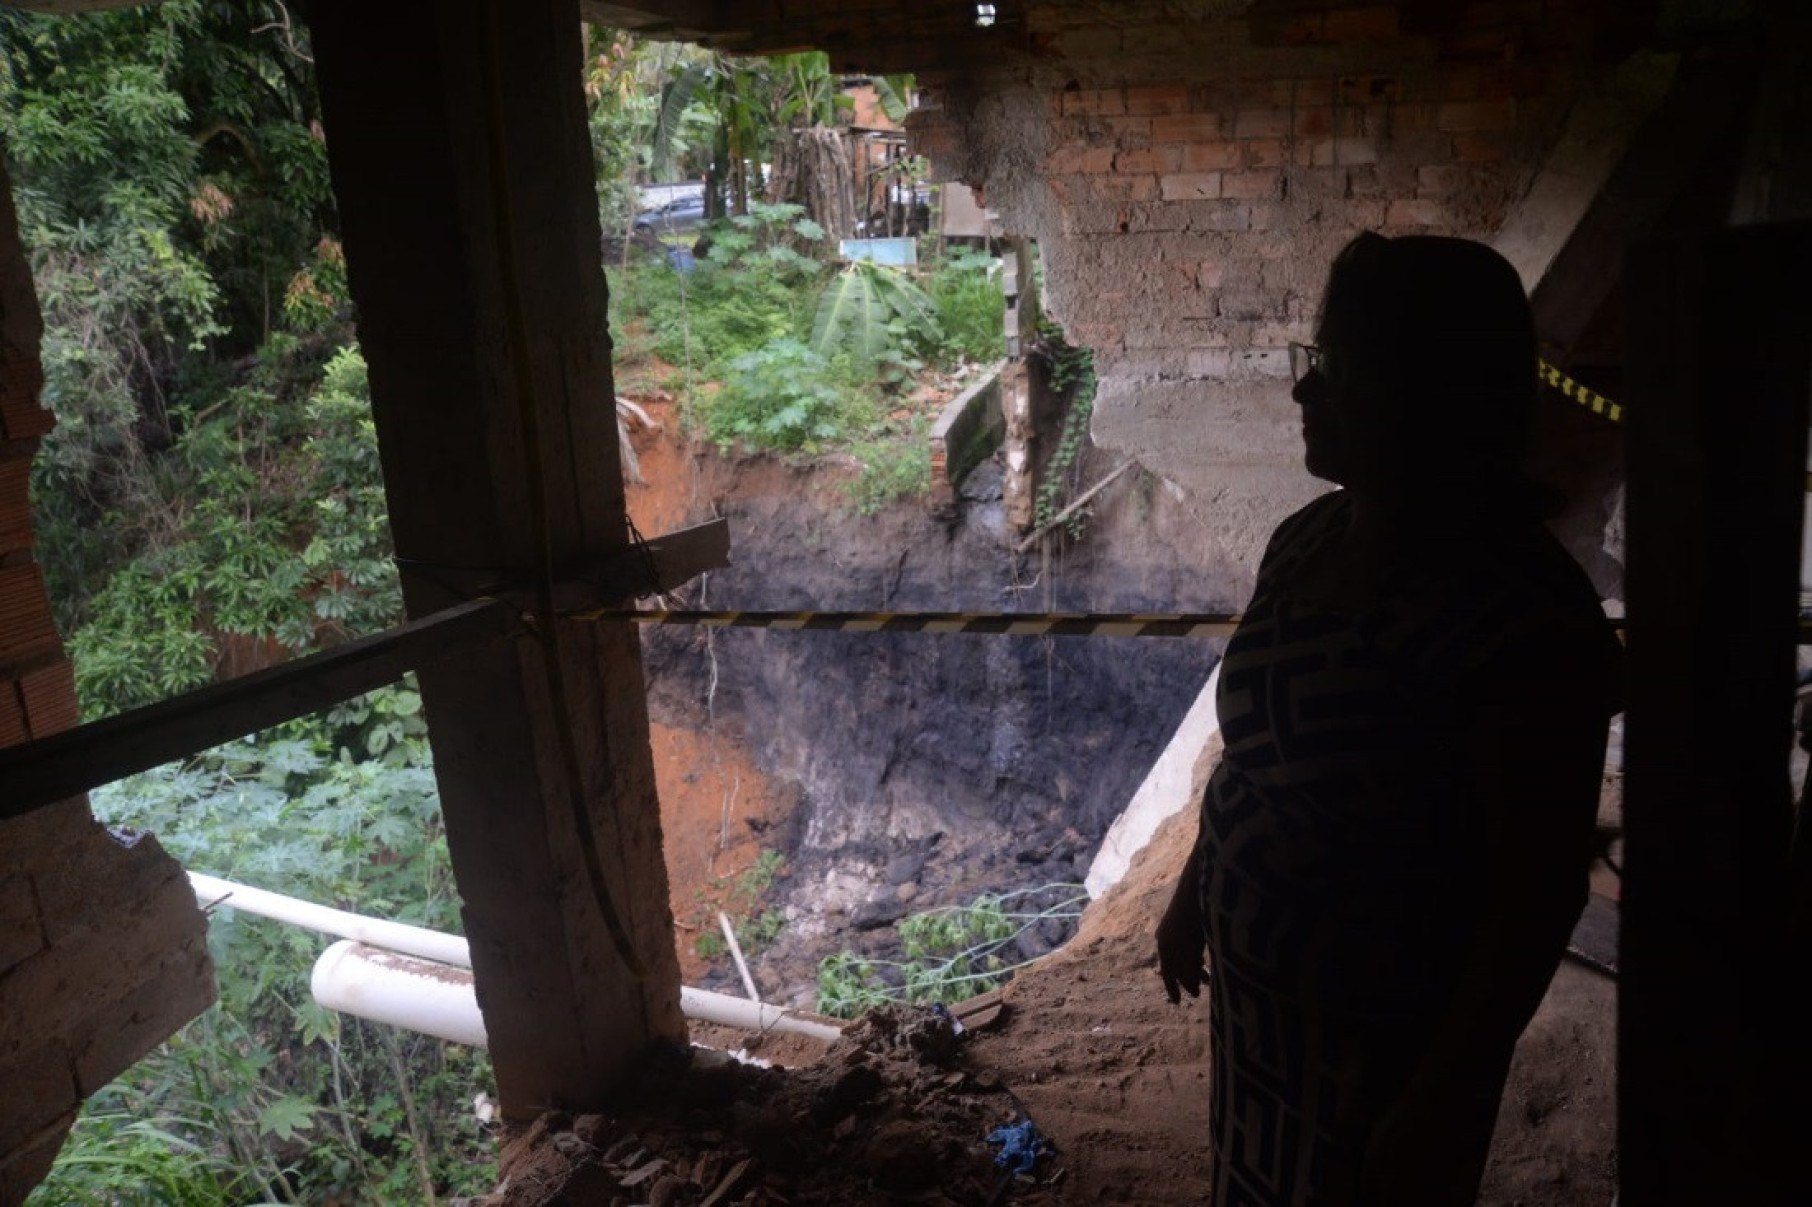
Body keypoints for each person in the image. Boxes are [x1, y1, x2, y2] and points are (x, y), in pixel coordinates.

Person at [1155, 232, 1621, 1205]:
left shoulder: (1522, 614)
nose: (1301, 393)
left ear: (1426, 391)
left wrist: (1446, 1096)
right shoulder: (1305, 540)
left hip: (1387, 1050)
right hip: (1261, 1033)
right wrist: (1197, 884)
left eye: (1333, 368)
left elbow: (1535, 898)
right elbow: (1254, 753)